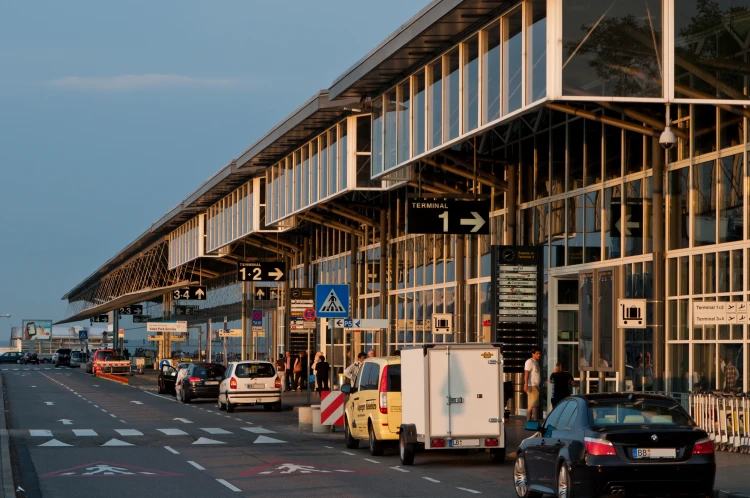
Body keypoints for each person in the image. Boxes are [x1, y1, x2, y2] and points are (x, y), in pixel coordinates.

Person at [524, 347, 542, 422]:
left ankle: (528, 421)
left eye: (539, 353)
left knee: (531, 404)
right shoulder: (530, 361)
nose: (539, 355)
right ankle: (535, 420)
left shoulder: (536, 362)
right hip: (532, 385)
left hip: (536, 385)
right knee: (535, 404)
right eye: (537, 353)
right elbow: (526, 373)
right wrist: (526, 384)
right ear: (533, 354)